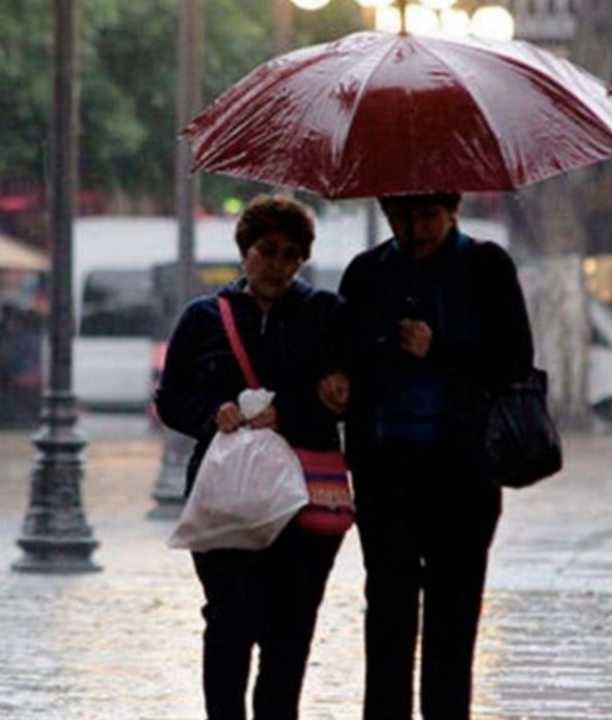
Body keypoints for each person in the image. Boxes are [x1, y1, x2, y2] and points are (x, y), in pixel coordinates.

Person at [320, 192, 533, 720]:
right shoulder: (368, 273)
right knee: (388, 613)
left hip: (462, 473)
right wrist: (337, 381)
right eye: (400, 217)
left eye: (426, 217)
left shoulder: (486, 266)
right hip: (385, 471)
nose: (414, 230)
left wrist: (438, 348)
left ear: (451, 210)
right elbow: (343, 351)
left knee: (452, 621)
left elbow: (513, 361)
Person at [155, 194, 346, 720]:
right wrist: (212, 413)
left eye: (290, 255)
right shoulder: (203, 319)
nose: (278, 265)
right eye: (267, 251)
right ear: (245, 251)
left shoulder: (325, 314)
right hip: (224, 498)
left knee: (290, 630)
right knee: (229, 620)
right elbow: (171, 398)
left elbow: (346, 395)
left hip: (302, 500)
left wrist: (293, 412)